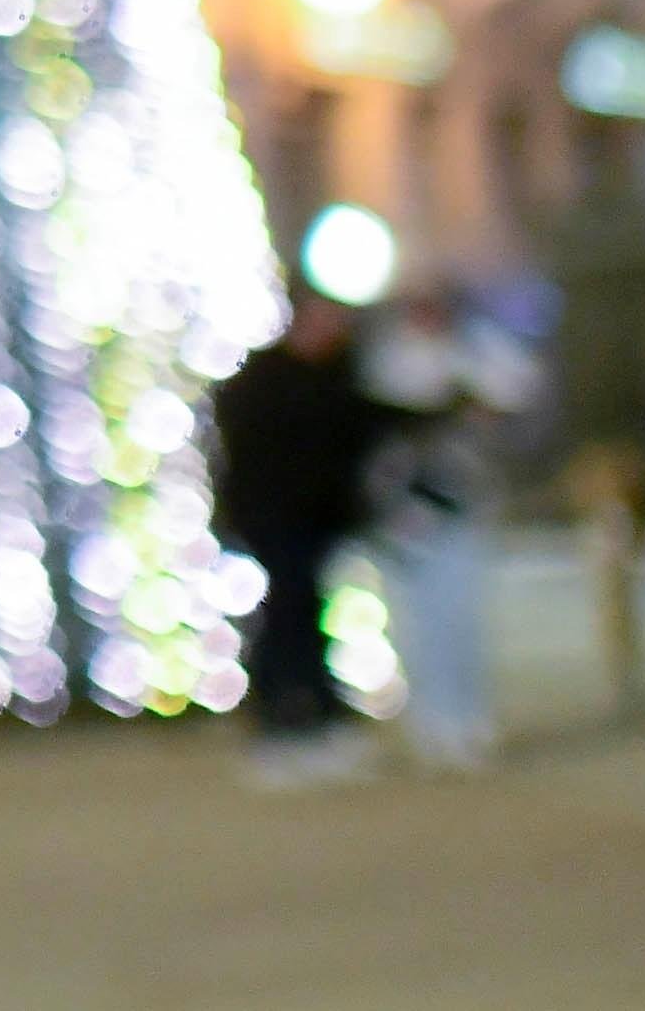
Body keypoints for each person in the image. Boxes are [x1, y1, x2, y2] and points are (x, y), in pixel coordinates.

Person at [358, 280, 536, 768]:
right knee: (418, 622)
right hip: (407, 514)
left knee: (463, 619)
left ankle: (468, 719)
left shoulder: (477, 351)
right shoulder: (387, 360)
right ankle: (431, 724)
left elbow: (515, 394)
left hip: (466, 504)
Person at [212, 291, 388, 785]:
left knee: (302, 617)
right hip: (275, 521)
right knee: (288, 620)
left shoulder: (333, 376)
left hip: (313, 522)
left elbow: (363, 423)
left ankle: (308, 718)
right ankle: (287, 721)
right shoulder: (266, 382)